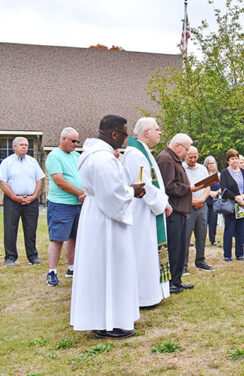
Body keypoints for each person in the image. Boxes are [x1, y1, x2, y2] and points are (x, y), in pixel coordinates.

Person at [70, 114, 146, 338]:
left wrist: (127, 187)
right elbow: (112, 195)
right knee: (108, 268)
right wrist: (133, 190)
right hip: (106, 221)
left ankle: (109, 318)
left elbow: (111, 187)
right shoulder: (102, 158)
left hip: (98, 214)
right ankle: (107, 322)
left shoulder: (95, 155)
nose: (124, 139)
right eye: (123, 134)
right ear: (114, 134)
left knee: (103, 268)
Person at [122, 117, 172, 307]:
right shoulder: (135, 154)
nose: (160, 132)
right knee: (144, 251)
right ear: (146, 132)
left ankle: (153, 292)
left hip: (149, 211)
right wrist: (163, 204)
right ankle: (144, 296)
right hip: (142, 212)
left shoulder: (144, 152)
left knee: (149, 250)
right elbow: (144, 186)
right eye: (157, 129)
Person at [44, 127, 85, 287]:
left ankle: (71, 268)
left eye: (77, 141)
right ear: (63, 139)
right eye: (73, 141)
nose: (76, 144)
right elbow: (59, 181)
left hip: (77, 204)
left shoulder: (76, 156)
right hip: (61, 204)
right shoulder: (54, 156)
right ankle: (52, 272)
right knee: (57, 239)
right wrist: (79, 193)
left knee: (73, 238)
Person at [157, 133, 196, 294]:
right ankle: (171, 281)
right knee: (173, 247)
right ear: (178, 145)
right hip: (172, 210)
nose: (187, 153)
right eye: (186, 149)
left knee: (180, 246)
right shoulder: (166, 159)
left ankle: (177, 279)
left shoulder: (174, 159)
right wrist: (189, 189)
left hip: (180, 209)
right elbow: (169, 186)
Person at [0, 137, 45, 267]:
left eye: (26, 145)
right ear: (14, 147)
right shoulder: (6, 163)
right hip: (12, 200)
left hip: (31, 200)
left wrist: (35, 195)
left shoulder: (32, 162)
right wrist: (15, 197)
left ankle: (33, 256)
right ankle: (10, 258)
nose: (24, 147)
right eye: (21, 145)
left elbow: (39, 180)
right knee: (10, 229)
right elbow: (2, 182)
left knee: (31, 229)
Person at [183, 146, 214, 273]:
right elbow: (181, 188)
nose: (193, 159)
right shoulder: (181, 169)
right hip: (187, 205)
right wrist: (192, 201)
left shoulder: (202, 168)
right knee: (185, 236)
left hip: (202, 205)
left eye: (195, 156)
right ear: (185, 156)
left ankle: (200, 261)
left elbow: (208, 187)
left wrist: (201, 200)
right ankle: (183, 264)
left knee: (201, 234)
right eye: (190, 157)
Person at [220, 149, 244, 261]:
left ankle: (240, 254)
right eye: (232, 159)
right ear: (228, 161)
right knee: (229, 230)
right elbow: (224, 188)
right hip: (230, 204)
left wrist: (243, 196)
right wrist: (236, 197)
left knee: (241, 229)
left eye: (236, 158)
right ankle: (227, 255)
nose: (235, 161)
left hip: (243, 204)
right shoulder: (225, 172)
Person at [203, 156, 221, 246]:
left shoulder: (218, 175)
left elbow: (223, 187)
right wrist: (209, 193)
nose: (211, 165)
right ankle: (201, 240)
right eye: (209, 163)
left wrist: (216, 192)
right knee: (203, 221)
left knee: (213, 221)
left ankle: (212, 240)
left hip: (215, 200)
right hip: (205, 200)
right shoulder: (203, 174)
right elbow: (201, 187)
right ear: (206, 164)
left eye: (213, 163)